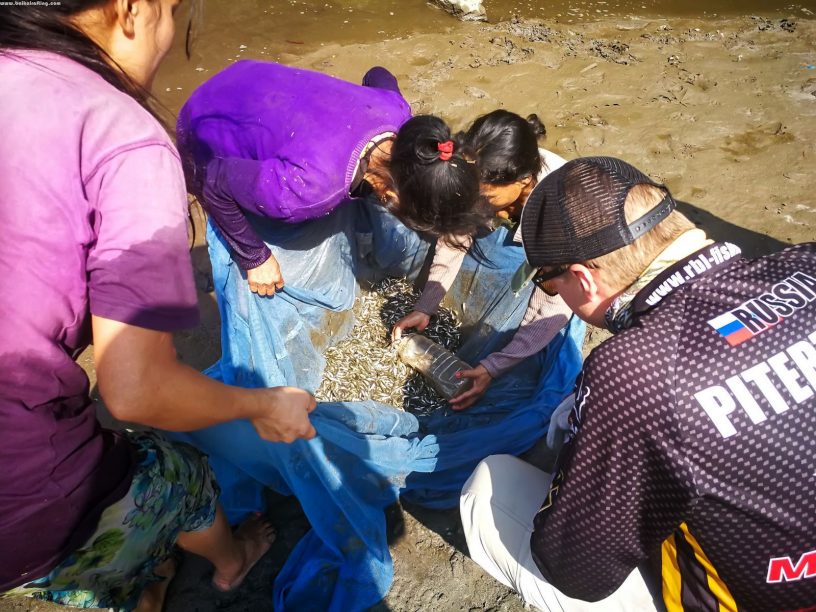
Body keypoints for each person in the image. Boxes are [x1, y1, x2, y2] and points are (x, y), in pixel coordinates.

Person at [0, 2, 317, 610]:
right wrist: (264, 403)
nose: (169, 32)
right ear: (131, 8)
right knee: (180, 472)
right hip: (20, 514)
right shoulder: (121, 135)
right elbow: (137, 391)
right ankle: (231, 562)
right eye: (172, 12)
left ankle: (136, 585)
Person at [460, 156, 816, 611]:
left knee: (488, 486)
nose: (553, 296)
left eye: (550, 285)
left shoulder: (633, 370)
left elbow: (578, 573)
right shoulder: (805, 258)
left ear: (584, 280)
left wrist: (585, 441)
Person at [176, 62, 484, 296]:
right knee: (236, 214)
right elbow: (215, 181)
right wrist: (255, 257)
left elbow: (378, 73)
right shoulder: (308, 190)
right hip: (204, 120)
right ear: (394, 194)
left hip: (251, 73)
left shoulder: (401, 114)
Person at [392, 110, 573, 409]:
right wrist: (426, 305)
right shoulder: (483, 170)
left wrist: (496, 365)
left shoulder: (556, 218)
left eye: (487, 200)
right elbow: (455, 238)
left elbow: (550, 306)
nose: (481, 204)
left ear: (524, 180)